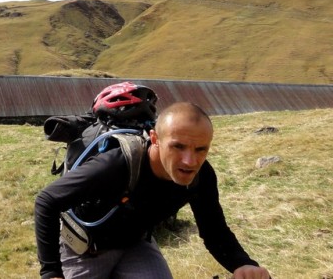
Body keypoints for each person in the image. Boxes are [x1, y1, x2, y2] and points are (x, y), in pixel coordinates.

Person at [34, 101, 271, 279]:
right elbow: (47, 201)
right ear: (155, 139)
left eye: (201, 149)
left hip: (135, 244)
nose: (190, 161)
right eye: (178, 146)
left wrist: (242, 264)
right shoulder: (119, 164)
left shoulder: (201, 176)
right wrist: (51, 273)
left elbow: (214, 230)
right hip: (85, 249)